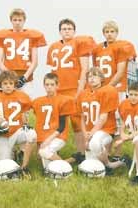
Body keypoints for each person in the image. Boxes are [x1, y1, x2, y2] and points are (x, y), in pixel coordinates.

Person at [47, 18, 95, 160]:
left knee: (78, 123)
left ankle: (82, 153)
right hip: (59, 89)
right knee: (56, 122)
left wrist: (80, 90)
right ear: (59, 31)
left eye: (69, 28)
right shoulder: (53, 46)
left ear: (74, 31)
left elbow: (85, 68)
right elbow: (53, 70)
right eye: (64, 29)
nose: (66, 31)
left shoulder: (80, 43)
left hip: (74, 87)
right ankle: (53, 151)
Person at [92, 20, 136, 159]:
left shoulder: (121, 47)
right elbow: (96, 71)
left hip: (116, 88)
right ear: (103, 33)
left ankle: (117, 153)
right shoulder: (98, 49)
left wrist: (108, 87)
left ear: (117, 33)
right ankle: (107, 152)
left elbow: (121, 71)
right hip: (104, 88)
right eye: (107, 32)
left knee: (117, 120)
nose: (109, 34)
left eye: (112, 31)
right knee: (106, 120)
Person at [0, 70, 36, 178]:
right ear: (0, 84)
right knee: (3, 165)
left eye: (11, 83)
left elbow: (24, 117)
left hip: (17, 131)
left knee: (32, 134)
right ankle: (13, 154)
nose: (8, 86)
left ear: (15, 84)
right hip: (3, 135)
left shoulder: (22, 96)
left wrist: (25, 124)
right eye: (5, 83)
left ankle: (24, 167)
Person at [77, 67, 128, 173]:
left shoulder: (108, 91)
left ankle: (109, 165)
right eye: (89, 76)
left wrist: (91, 134)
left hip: (106, 131)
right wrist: (85, 133)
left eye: (95, 75)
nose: (92, 78)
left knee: (94, 143)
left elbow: (103, 117)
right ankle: (118, 162)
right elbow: (81, 117)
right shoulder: (83, 94)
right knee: (91, 167)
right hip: (90, 132)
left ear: (101, 78)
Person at [0, 8, 46, 95]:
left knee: (27, 104)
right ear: (11, 21)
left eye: (20, 20)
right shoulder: (3, 36)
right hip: (8, 76)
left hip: (26, 76)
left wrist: (24, 78)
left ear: (24, 20)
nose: (17, 22)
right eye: (15, 20)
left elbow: (35, 62)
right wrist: (10, 77)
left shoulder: (32, 36)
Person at [32, 73, 78, 169]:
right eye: (47, 84)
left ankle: (66, 168)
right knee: (48, 169)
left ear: (57, 86)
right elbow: (40, 122)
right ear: (44, 86)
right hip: (44, 136)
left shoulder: (63, 100)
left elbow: (61, 126)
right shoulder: (38, 101)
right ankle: (69, 161)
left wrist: (48, 140)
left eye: (52, 84)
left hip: (58, 136)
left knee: (43, 151)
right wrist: (41, 141)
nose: (49, 87)